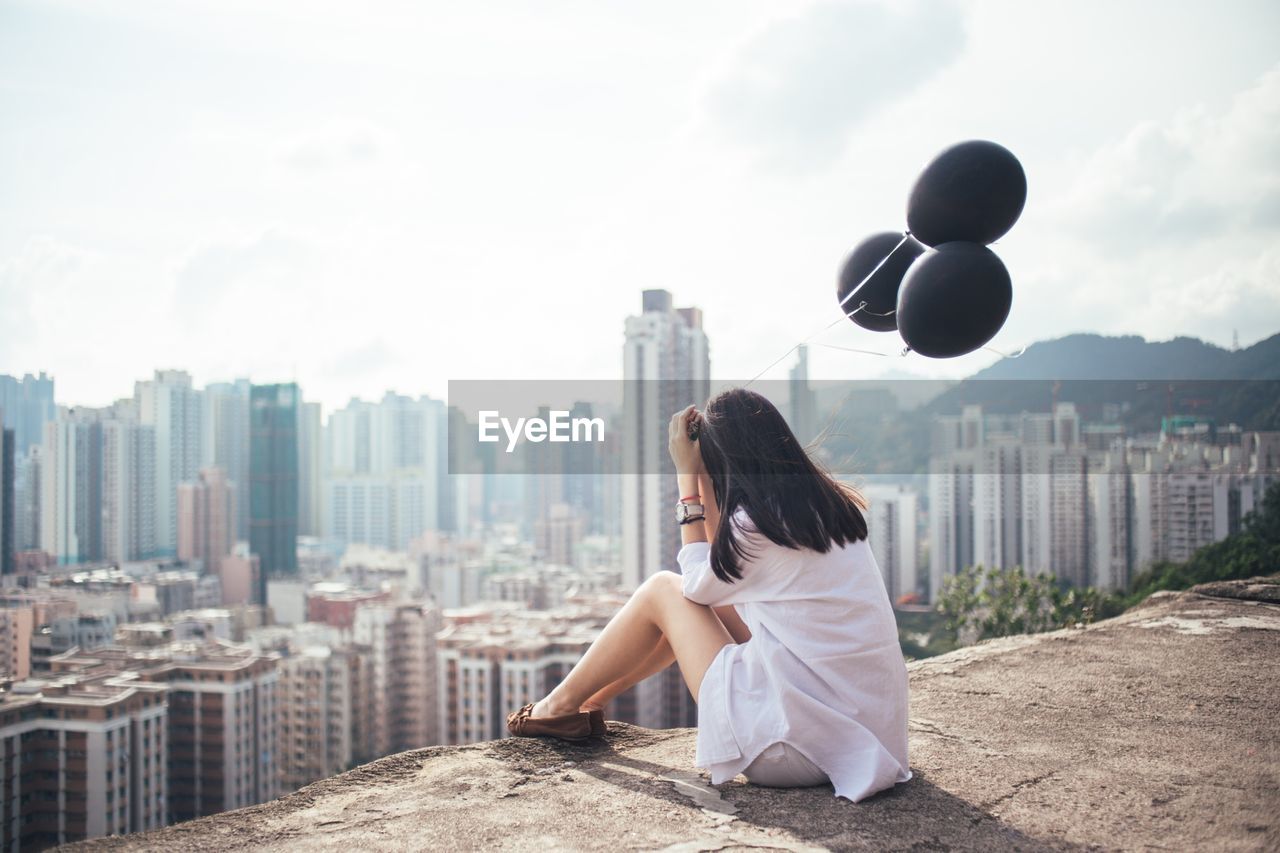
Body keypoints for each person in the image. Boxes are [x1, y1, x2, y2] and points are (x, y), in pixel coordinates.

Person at [507, 388, 911, 802]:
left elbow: (699, 580)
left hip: (793, 753)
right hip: (865, 735)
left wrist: (688, 479)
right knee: (703, 603)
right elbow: (719, 580)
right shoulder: (829, 505)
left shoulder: (756, 523)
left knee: (663, 589)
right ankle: (588, 704)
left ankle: (558, 707)